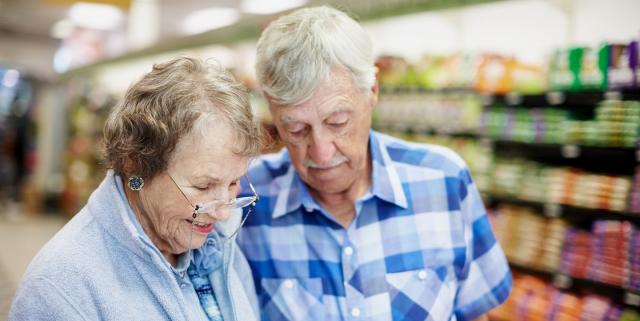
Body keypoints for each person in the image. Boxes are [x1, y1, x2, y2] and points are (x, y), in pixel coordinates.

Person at [237, 6, 512, 321]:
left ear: (372, 91)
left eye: (338, 121)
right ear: (272, 113)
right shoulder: (244, 204)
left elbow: (477, 312)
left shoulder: (445, 181)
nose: (322, 154)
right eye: (296, 130)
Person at [10, 57, 261, 321]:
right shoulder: (60, 288)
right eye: (203, 186)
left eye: (234, 182)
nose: (223, 212)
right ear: (137, 166)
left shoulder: (221, 244)